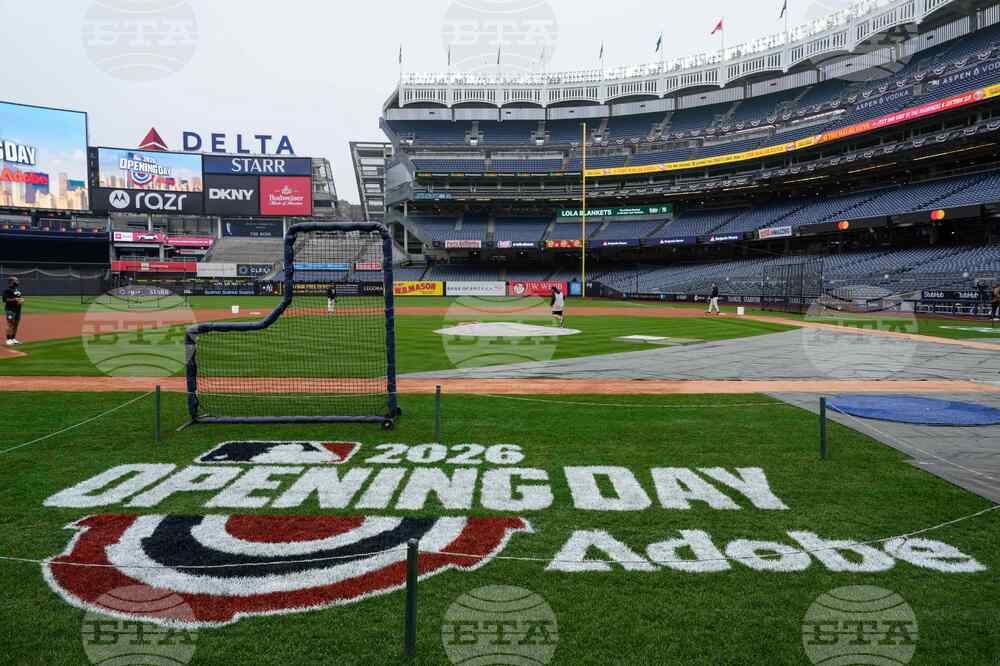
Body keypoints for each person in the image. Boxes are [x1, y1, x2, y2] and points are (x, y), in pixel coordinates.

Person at [4, 276, 24, 346]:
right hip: (10, 310)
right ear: (11, 282)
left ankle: (13, 338)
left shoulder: (17, 290)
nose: (17, 282)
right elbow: (5, 300)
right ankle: (8, 339)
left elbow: (20, 298)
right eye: (16, 280)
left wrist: (22, 300)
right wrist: (15, 299)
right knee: (10, 324)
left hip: (18, 310)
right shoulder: (7, 290)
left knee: (16, 324)